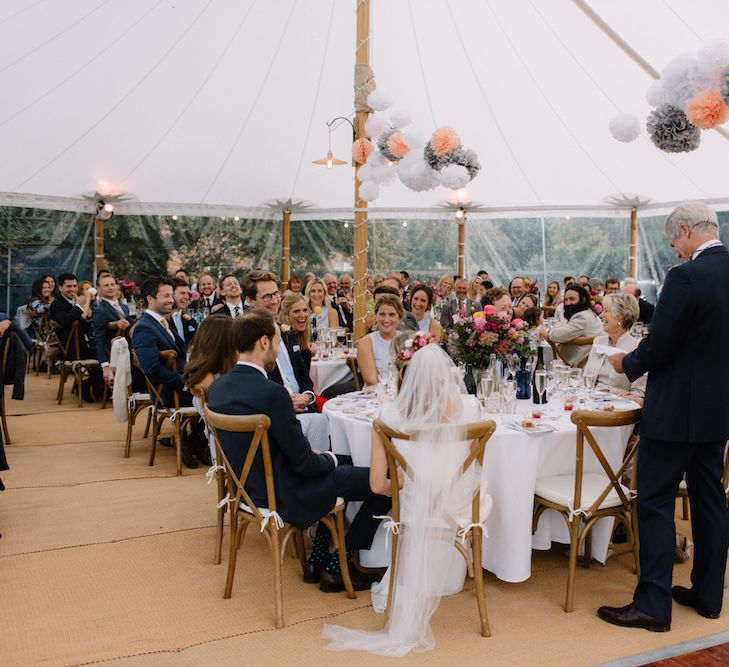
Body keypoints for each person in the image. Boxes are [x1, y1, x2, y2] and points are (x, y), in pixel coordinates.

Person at [599, 201, 729, 632]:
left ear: (688, 230)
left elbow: (662, 345)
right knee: (710, 501)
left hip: (674, 413)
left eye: (674, 240)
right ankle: (709, 595)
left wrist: (627, 364)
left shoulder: (686, 276)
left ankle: (653, 605)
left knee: (653, 501)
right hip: (718, 413)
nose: (675, 250)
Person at [323, 334, 491, 656]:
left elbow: (376, 487)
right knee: (484, 494)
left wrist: (401, 486)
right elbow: (475, 472)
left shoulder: (388, 417)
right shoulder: (472, 408)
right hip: (459, 507)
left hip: (413, 509)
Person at [207, 310, 390, 592]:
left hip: (249, 490)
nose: (279, 349)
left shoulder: (218, 388)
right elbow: (305, 465)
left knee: (349, 462)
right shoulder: (271, 393)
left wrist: (324, 458)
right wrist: (327, 458)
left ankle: (317, 561)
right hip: (286, 492)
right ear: (264, 343)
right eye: (278, 342)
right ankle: (337, 566)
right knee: (384, 482)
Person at [132, 276, 209, 469]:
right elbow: (151, 369)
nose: (170, 300)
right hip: (168, 394)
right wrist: (183, 383)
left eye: (170, 295)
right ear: (150, 299)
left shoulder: (163, 323)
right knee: (216, 395)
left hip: (179, 387)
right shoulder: (144, 328)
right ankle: (195, 442)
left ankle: (195, 442)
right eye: (165, 296)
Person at [183, 316, 237, 463]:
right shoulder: (206, 377)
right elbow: (222, 410)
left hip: (229, 434)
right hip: (229, 441)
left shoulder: (215, 369)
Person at [582, 293, 646, 402]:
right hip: (591, 402)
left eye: (606, 311)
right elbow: (586, 379)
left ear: (620, 317)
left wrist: (628, 398)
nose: (601, 315)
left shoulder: (637, 348)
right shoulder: (598, 341)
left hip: (619, 407)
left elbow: (638, 392)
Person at [540, 282, 603, 366]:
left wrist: (550, 332)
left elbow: (555, 335)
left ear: (583, 300)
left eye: (572, 299)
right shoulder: (588, 313)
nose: (568, 303)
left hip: (581, 367)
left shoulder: (582, 317)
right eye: (566, 300)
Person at [92, 273, 133, 387]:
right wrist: (105, 365)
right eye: (106, 285)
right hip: (115, 352)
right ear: (99, 290)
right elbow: (98, 339)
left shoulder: (124, 307)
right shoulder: (99, 310)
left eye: (112, 284)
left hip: (130, 346)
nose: (110, 287)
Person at [357, 294, 404, 386]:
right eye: (382, 314)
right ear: (376, 316)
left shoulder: (406, 340)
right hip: (376, 395)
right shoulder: (367, 342)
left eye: (392, 315)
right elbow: (371, 381)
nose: (386, 320)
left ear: (400, 317)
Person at [279, 294, 315, 369]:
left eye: (305, 310)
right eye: (296, 311)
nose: (303, 315)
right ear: (286, 315)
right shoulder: (282, 342)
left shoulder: (302, 341)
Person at [170, 278, 198, 345]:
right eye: (182, 293)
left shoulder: (191, 321)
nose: (186, 297)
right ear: (171, 294)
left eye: (188, 294)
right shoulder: (162, 320)